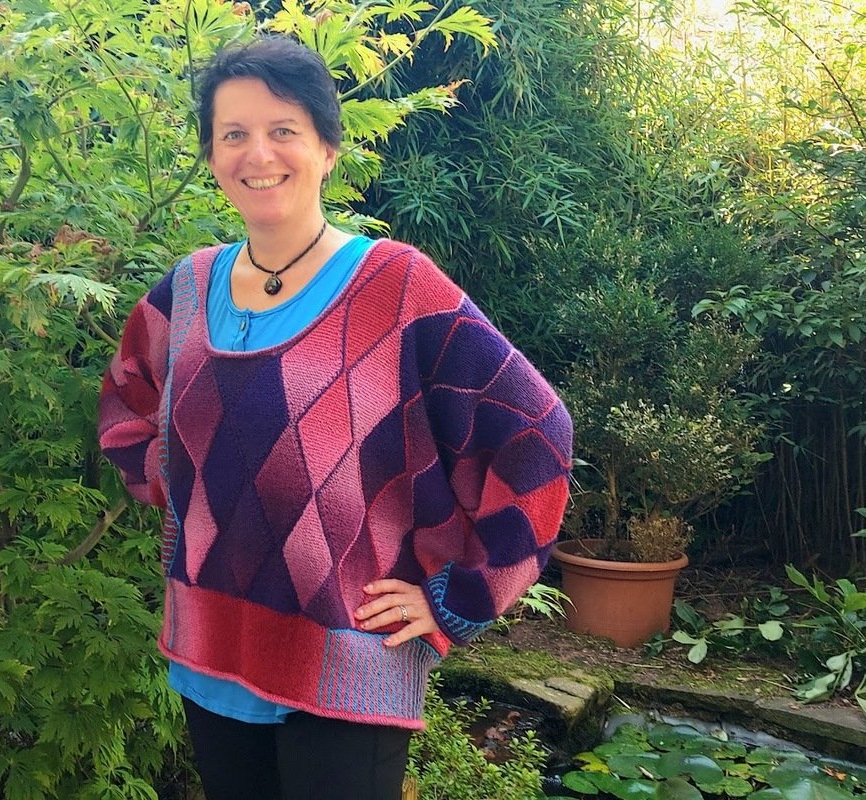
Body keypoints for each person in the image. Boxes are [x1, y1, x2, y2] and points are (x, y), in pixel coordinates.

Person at [98, 36, 573, 800]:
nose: (258, 153)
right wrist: (182, 496)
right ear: (212, 156)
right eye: (233, 133)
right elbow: (127, 406)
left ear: (326, 147)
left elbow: (535, 433)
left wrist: (460, 598)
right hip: (209, 647)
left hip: (352, 661)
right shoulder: (185, 289)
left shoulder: (398, 288)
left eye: (282, 129)